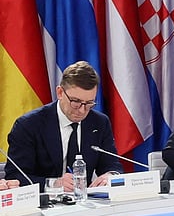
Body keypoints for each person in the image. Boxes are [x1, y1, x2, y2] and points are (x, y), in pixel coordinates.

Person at [4, 61, 122, 191]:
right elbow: (15, 176)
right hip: (43, 204)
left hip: (85, 204)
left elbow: (112, 165)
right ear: (60, 93)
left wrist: (110, 176)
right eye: (75, 102)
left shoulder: (99, 123)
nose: (82, 110)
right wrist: (54, 184)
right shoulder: (28, 125)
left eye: (89, 103)